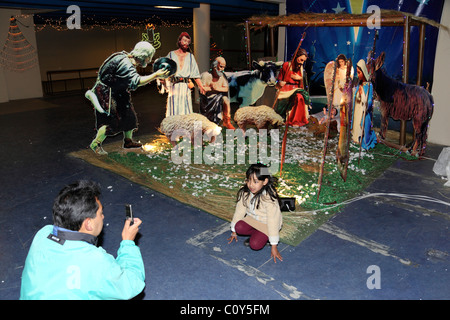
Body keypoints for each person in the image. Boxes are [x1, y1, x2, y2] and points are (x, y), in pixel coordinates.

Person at [20, 180, 145, 300]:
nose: (103, 216)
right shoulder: (94, 260)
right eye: (100, 213)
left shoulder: (43, 234)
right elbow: (131, 285)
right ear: (88, 224)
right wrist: (128, 243)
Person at [86, 41, 169, 155]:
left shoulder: (124, 56)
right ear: (143, 56)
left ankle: (128, 141)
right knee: (109, 120)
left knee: (129, 115)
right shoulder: (126, 63)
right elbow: (137, 81)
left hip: (118, 91)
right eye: (149, 57)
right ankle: (96, 143)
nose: (150, 60)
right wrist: (155, 75)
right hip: (107, 92)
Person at [228, 163, 283, 263]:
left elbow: (273, 221)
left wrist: (274, 245)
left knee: (255, 245)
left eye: (256, 182)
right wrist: (234, 231)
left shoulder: (269, 198)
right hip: (253, 219)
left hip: (266, 224)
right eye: (249, 180)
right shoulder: (245, 192)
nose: (251, 185)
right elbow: (239, 211)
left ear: (265, 181)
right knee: (238, 227)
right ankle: (257, 234)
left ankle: (263, 237)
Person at [163, 32, 206, 116]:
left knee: (186, 109)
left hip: (185, 87)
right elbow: (164, 69)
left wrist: (201, 86)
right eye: (184, 41)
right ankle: (173, 127)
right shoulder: (171, 55)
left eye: (188, 42)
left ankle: (185, 127)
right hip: (174, 86)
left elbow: (195, 74)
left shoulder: (190, 57)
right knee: (174, 108)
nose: (186, 43)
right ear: (179, 41)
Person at [275, 48, 310, 127]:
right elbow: (278, 79)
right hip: (286, 89)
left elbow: (304, 84)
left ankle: (296, 121)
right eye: (301, 60)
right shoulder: (286, 65)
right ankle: (284, 118)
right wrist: (280, 83)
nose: (302, 63)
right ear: (296, 56)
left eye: (303, 61)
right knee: (295, 97)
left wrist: (300, 78)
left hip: (297, 89)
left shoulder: (301, 69)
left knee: (299, 97)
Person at [200, 56, 235, 129]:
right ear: (214, 66)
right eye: (221, 67)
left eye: (223, 67)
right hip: (207, 100)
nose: (222, 69)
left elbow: (226, 89)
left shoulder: (222, 76)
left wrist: (216, 88)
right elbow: (202, 89)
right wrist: (211, 88)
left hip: (219, 99)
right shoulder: (205, 75)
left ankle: (227, 121)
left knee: (226, 100)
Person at [351, 59, 377, 150]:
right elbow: (355, 97)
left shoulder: (369, 86)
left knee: (361, 125)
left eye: (359, 72)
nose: (358, 75)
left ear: (363, 72)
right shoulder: (359, 85)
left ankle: (362, 138)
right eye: (357, 73)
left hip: (363, 110)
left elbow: (369, 101)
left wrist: (362, 94)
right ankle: (355, 137)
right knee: (356, 123)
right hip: (357, 109)